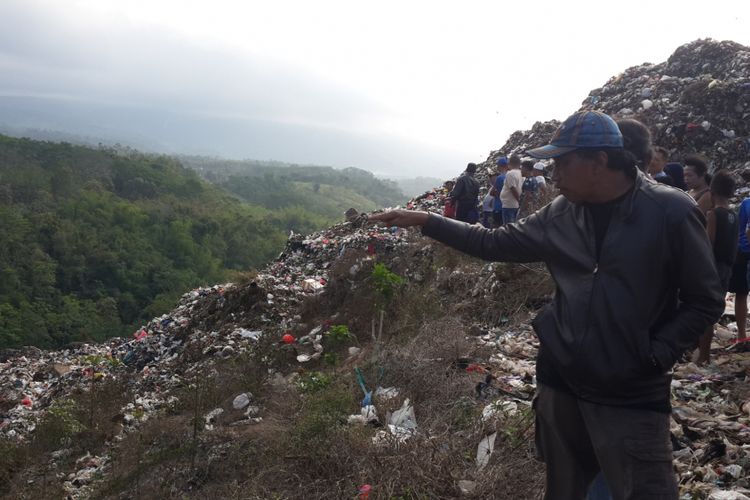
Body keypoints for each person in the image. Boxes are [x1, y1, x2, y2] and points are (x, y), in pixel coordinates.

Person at [370, 110, 723, 499]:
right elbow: (493, 242)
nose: (554, 175)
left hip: (630, 392)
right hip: (562, 382)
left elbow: (704, 299)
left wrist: (655, 354)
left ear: (600, 161)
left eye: (563, 162)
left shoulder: (669, 211)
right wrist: (427, 220)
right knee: (566, 489)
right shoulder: (562, 213)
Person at [696, 170, 738, 365]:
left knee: (705, 312)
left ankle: (703, 355)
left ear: (712, 193)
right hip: (727, 268)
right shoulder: (733, 215)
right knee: (714, 312)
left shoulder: (713, 214)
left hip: (712, 269)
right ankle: (704, 354)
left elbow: (708, 245)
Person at [729, 195, 750, 345]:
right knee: (741, 292)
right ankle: (741, 334)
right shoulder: (746, 203)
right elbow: (740, 229)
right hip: (744, 252)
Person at [499, 155, 523, 224]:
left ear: (510, 163)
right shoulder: (520, 173)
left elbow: (513, 188)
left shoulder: (510, 173)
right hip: (514, 205)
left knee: (508, 228)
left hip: (509, 205)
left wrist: (519, 200)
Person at [492, 157, 508, 227]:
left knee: (497, 229)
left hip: (498, 207)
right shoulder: (511, 176)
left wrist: (497, 194)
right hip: (508, 207)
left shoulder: (500, 178)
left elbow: (492, 192)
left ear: (500, 166)